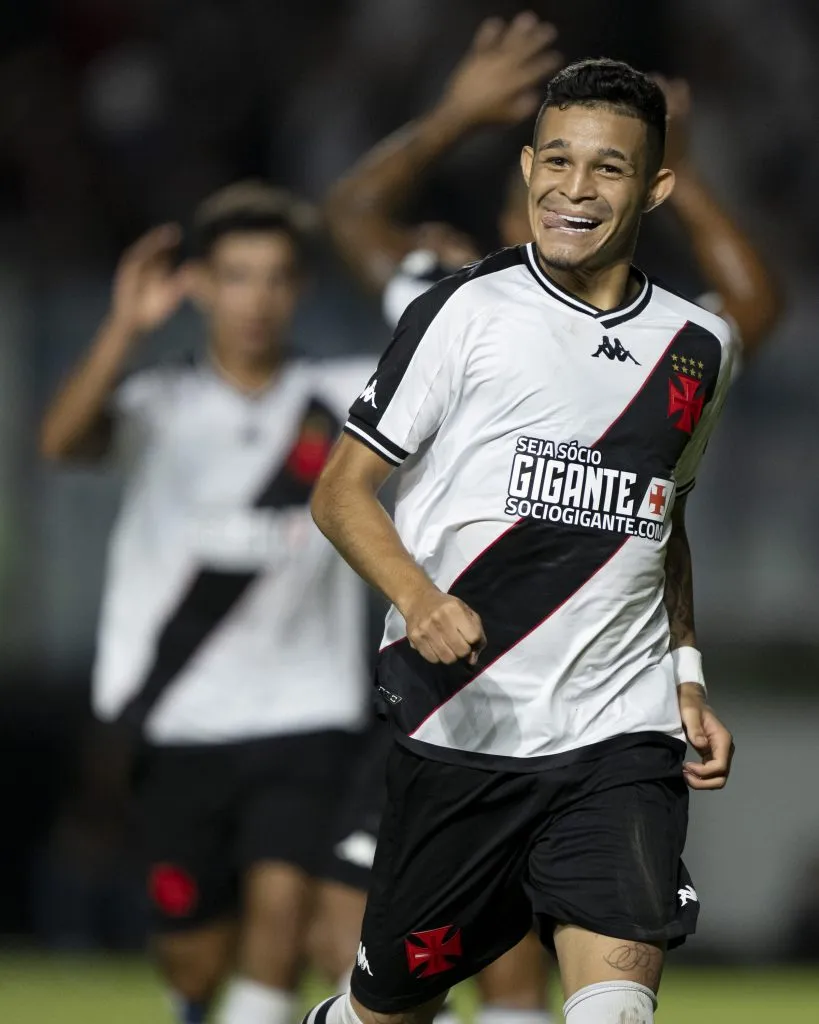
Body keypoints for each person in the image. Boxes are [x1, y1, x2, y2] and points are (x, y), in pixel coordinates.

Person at [316, 12, 780, 1021]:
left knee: (615, 1009)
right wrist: (417, 596)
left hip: (621, 738)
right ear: (528, 166)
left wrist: (686, 677)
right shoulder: (458, 311)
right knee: (387, 1008)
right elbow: (340, 491)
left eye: (608, 168)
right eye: (558, 160)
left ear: (655, 186)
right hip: (462, 728)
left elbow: (666, 521)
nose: (577, 188)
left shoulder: (698, 345)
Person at [40, 182, 373, 1024]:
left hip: (306, 711)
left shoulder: (344, 398)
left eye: (274, 277)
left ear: (297, 289)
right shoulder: (161, 404)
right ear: (199, 286)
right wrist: (123, 325)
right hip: (179, 719)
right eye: (235, 275)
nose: (255, 299)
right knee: (193, 954)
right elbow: (62, 442)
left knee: (284, 913)